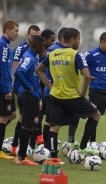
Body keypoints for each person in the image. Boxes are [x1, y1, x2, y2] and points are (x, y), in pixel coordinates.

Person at [36, 28, 100, 158]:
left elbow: (38, 70)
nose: (79, 42)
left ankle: (53, 158)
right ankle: (83, 146)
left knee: (54, 127)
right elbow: (86, 76)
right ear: (72, 40)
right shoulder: (76, 54)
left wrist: (50, 85)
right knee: (96, 114)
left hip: (55, 95)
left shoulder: (52, 54)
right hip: (72, 96)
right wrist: (83, 92)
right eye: (78, 39)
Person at [41, 27, 80, 148]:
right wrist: (50, 85)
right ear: (64, 38)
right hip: (57, 92)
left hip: (56, 91)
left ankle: (50, 146)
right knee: (51, 121)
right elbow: (42, 70)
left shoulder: (55, 50)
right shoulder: (55, 50)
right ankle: (48, 146)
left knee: (52, 121)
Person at [14, 35, 46, 166]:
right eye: (43, 46)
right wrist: (29, 88)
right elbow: (19, 72)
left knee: (27, 125)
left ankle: (20, 154)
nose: (44, 48)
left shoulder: (33, 56)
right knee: (28, 126)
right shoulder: (29, 57)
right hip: (29, 97)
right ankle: (21, 157)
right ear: (37, 46)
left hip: (29, 96)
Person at [11, 25, 42, 154]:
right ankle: (18, 149)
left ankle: (21, 147)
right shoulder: (22, 49)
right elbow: (17, 70)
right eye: (33, 36)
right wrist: (26, 87)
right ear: (28, 35)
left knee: (23, 118)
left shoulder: (36, 52)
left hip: (31, 89)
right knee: (24, 120)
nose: (35, 38)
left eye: (37, 36)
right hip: (23, 90)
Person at [0, 20, 19, 160]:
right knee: (4, 117)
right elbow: (2, 70)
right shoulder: (3, 46)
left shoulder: (6, 46)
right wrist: (7, 90)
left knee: (12, 115)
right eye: (15, 31)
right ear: (7, 30)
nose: (17, 34)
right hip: (3, 88)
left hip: (6, 86)